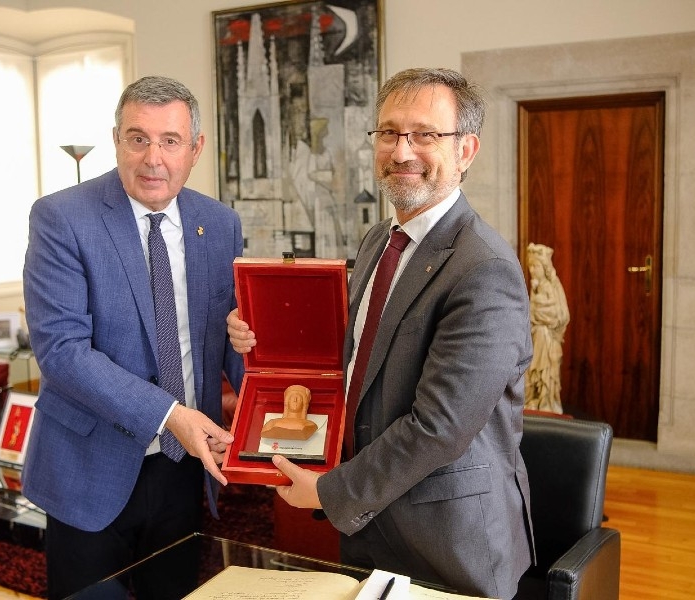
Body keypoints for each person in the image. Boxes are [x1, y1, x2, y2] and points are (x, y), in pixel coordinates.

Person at [228, 68, 535, 599]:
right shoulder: (379, 240)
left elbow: (439, 427)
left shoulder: (484, 268)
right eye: (389, 132)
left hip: (446, 541)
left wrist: (330, 491)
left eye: (424, 134)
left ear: (466, 150)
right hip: (371, 525)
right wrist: (262, 336)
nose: (401, 150)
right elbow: (358, 359)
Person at [22, 75, 244, 599]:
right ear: (116, 140)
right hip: (88, 470)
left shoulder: (220, 224)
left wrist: (270, 402)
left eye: (170, 141)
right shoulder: (61, 218)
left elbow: (234, 341)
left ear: (195, 149)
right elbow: (62, 353)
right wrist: (170, 415)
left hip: (184, 467)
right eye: (138, 138)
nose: (153, 158)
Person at [524, 243, 570, 414]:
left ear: (545, 267)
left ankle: (546, 401)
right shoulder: (536, 286)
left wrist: (535, 310)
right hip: (536, 338)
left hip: (547, 339)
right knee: (532, 370)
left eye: (536, 266)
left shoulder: (551, 286)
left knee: (546, 372)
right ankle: (534, 398)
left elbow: (558, 313)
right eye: (530, 267)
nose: (532, 270)